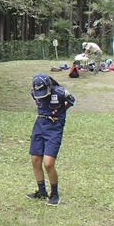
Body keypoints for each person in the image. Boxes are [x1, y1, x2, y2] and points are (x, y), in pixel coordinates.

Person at [26, 74, 75, 207]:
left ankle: (54, 194)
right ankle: (41, 191)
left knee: (48, 163)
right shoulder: (34, 93)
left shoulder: (60, 92)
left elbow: (71, 100)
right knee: (35, 159)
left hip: (54, 127)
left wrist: (60, 112)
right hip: (40, 124)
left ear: (49, 86)